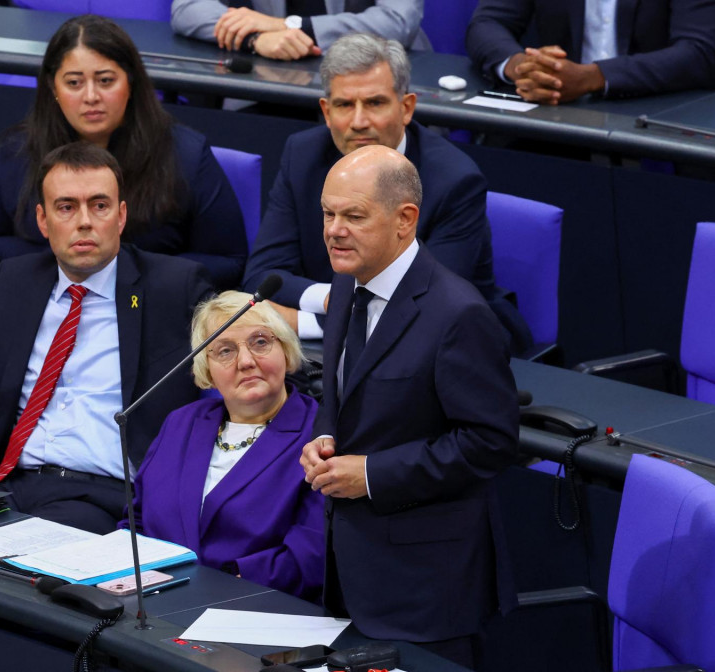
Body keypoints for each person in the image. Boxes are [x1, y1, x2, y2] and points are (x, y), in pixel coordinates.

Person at [300, 145, 519, 668]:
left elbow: (491, 442)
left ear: (405, 220)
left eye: (353, 216)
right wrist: (325, 437)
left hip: (428, 591)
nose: (333, 230)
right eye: (328, 214)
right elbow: (345, 395)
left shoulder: (458, 314)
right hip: (352, 572)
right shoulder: (347, 284)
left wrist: (373, 473)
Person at [0, 142, 214, 535]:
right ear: (43, 220)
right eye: (66, 207)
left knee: (11, 562)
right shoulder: (16, 281)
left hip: (103, 495)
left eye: (99, 206)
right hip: (8, 483)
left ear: (120, 216)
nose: (84, 221)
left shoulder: (175, 287)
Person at [242, 32, 531, 350]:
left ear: (406, 108)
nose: (359, 121)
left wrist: (303, 320)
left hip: (443, 349)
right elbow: (263, 274)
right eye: (344, 105)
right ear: (326, 112)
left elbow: (425, 306)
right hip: (332, 351)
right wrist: (333, 301)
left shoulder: (455, 181)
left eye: (375, 103)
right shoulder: (302, 155)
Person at [0, 14, 247, 289]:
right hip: (49, 300)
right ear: (53, 87)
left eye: (105, 81)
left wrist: (126, 271)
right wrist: (68, 263)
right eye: (74, 83)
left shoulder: (185, 153)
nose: (90, 97)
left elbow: (228, 260)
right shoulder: (19, 150)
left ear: (130, 82)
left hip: (148, 306)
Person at [125, 291, 324, 601]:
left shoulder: (320, 433)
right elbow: (136, 519)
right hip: (155, 600)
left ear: (286, 352)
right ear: (207, 370)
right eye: (225, 350)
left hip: (255, 608)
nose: (246, 361)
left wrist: (210, 590)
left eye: (260, 342)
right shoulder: (182, 422)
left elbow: (311, 555)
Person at [465, 0, 715, 103]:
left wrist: (593, 77)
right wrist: (522, 66)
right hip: (555, 110)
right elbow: (487, 23)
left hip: (666, 109)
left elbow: (698, 53)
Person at [171, 0, 429, 61]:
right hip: (268, 86)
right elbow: (188, 8)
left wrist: (290, 25)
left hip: (367, 81)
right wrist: (255, 38)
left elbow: (398, 20)